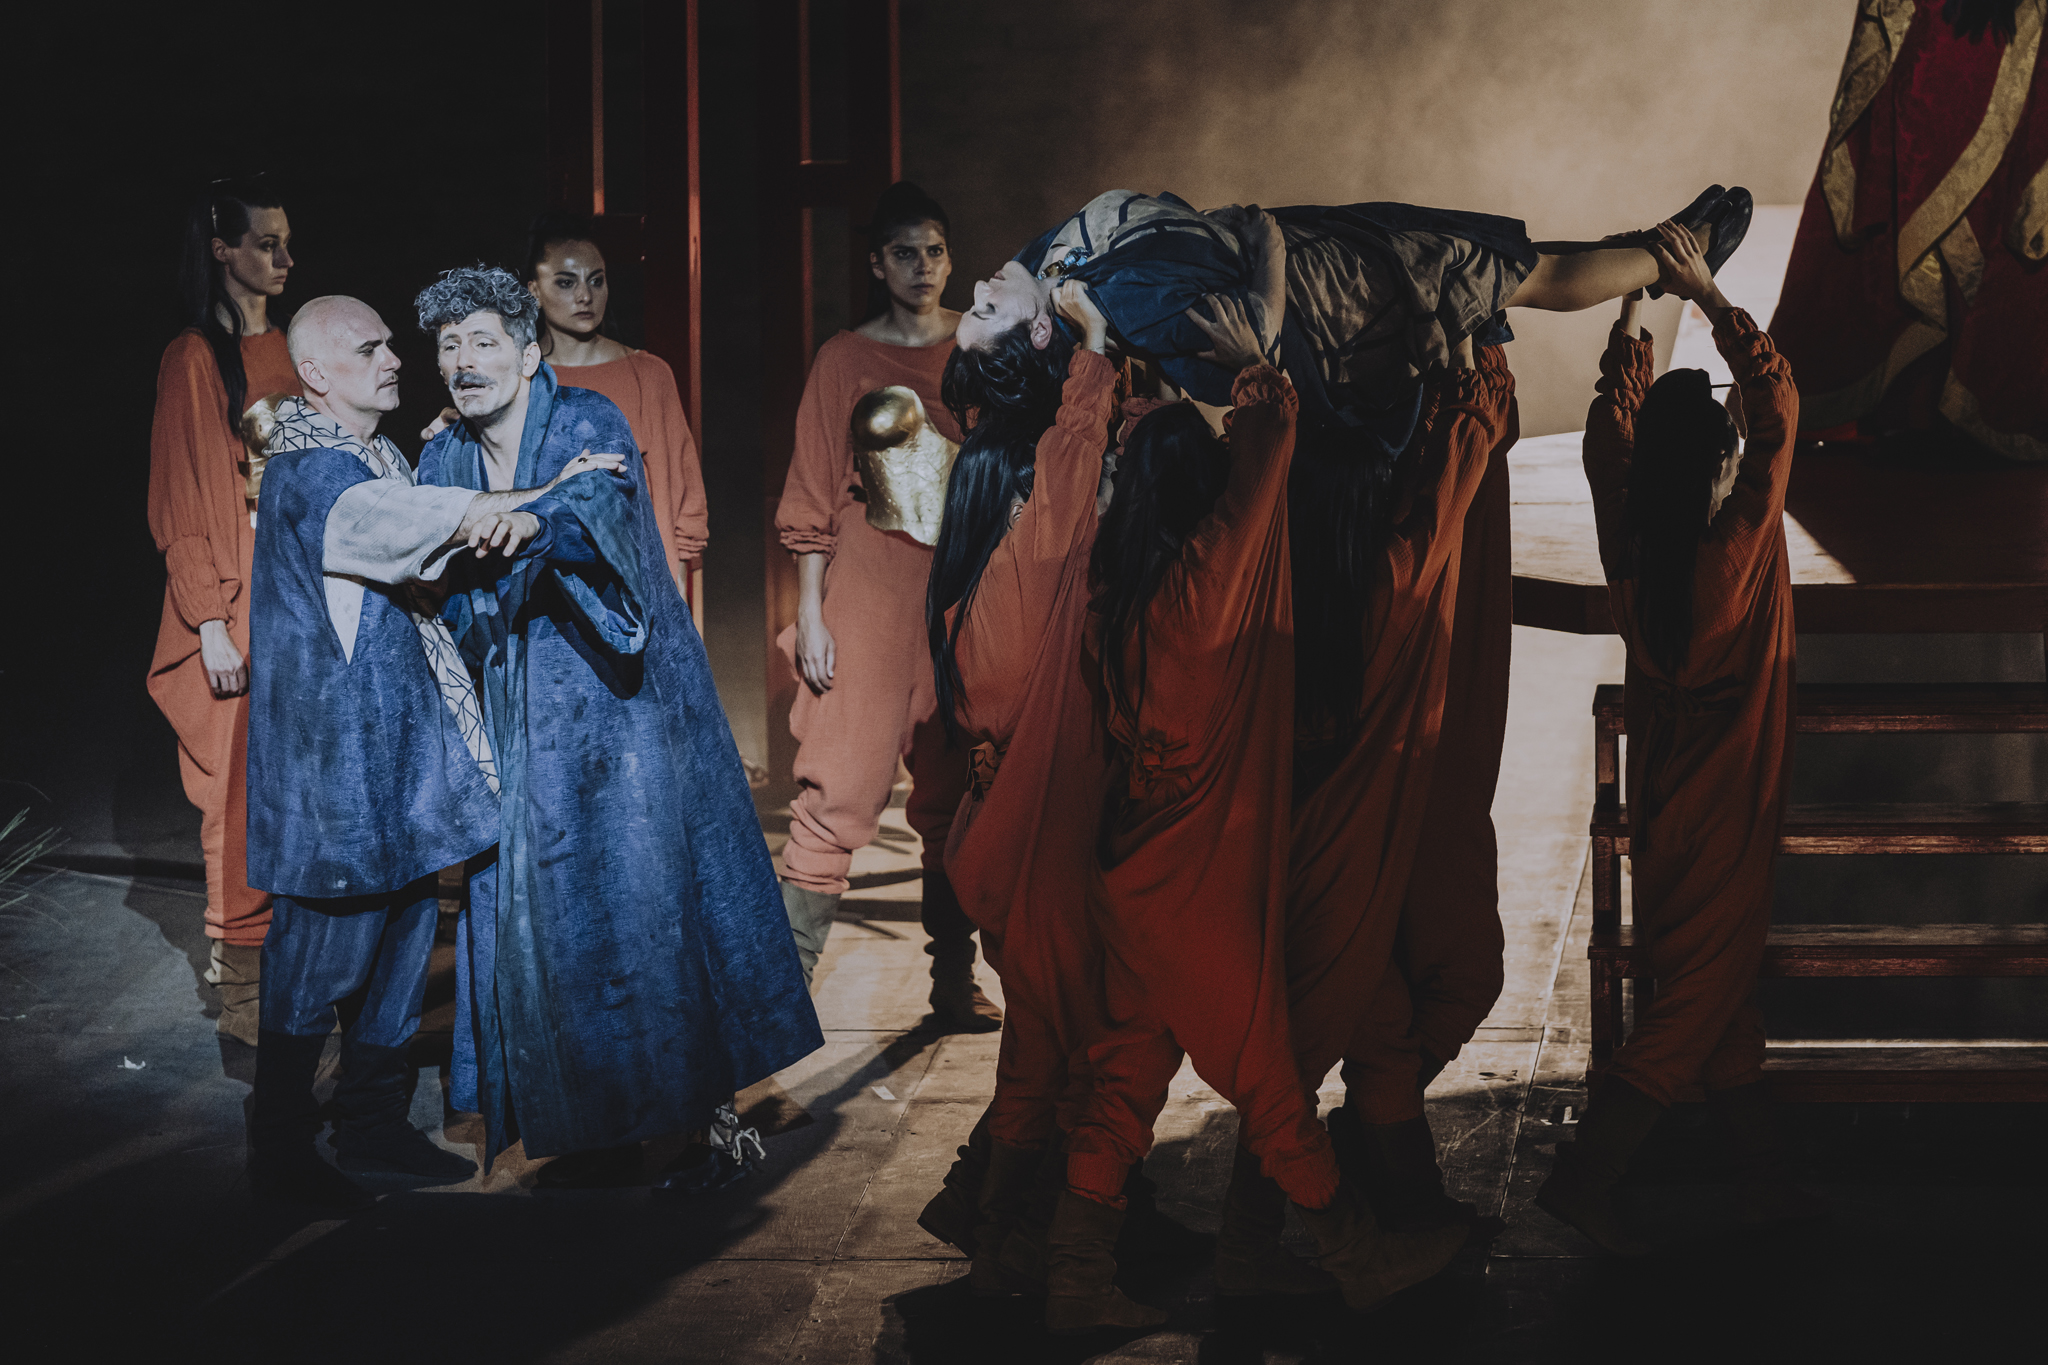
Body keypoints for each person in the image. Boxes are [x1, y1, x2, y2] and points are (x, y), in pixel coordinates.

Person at [1048, 275, 1465, 1331]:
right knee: (1274, 1089)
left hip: (1130, 877)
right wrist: (1256, 364)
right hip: (1197, 888)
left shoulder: (1113, 598)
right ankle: (1357, 1258)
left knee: (1123, 1082)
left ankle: (1075, 1284)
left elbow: (1181, 471)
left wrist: (1115, 360)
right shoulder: (1201, 592)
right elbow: (1267, 453)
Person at [414, 266, 823, 1187]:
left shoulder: (586, 419)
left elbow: (594, 505)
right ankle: (588, 1124)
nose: (465, 361)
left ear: (529, 354)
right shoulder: (444, 456)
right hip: (518, 730)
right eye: (449, 346)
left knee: (647, 910)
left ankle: (696, 1119)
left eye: (483, 342)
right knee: (547, 926)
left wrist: (531, 521)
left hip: (620, 713)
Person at [245, 295, 607, 1209]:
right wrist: (549, 495)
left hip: (393, 767)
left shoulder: (368, 455)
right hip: (334, 779)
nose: (395, 359)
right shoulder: (314, 474)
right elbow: (418, 523)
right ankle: (280, 1151)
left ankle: (371, 1126)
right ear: (316, 375)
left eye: (390, 344)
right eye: (369, 349)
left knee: (401, 950)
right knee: (319, 963)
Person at [1537, 224, 1823, 1254]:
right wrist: (1704, 296)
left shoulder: (1634, 544)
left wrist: (1635, 305)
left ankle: (1762, 1182)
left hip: (1665, 813)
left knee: (1711, 1000)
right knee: (1689, 1012)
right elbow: (1778, 410)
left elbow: (1608, 435)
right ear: (1717, 464)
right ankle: (1585, 1179)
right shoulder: (1733, 554)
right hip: (1726, 815)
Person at [1280, 336, 1517, 1252]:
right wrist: (1475, 345)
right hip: (1366, 833)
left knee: (1381, 1026)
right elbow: (1468, 453)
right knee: (1424, 1003)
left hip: (1312, 843)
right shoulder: (1394, 576)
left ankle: (1373, 1170)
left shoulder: (1275, 584)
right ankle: (1391, 1199)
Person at [948, 185, 1752, 452]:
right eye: (985, 309)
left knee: (1492, 256)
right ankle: (1675, 262)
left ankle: (1651, 247)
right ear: (1040, 333)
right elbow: (1254, 343)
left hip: (1320, 254)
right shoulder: (1117, 303)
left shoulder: (1044, 270)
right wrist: (1260, 241)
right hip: (1334, 292)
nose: (981, 284)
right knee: (1507, 275)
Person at [919, 281, 1119, 1293]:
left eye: (990, 292)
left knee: (1042, 1039)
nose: (980, 284)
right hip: (1035, 819)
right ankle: (1040, 1245)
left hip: (1009, 813)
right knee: (1080, 1038)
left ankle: (999, 1225)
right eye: (988, 297)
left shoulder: (993, 468)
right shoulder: (1028, 496)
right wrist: (1096, 344)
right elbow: (1073, 463)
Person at [774, 182, 995, 1031]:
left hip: (961, 584)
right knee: (841, 783)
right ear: (876, 263)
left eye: (934, 250)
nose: (923, 266)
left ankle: (953, 983)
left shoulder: (979, 347)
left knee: (957, 784)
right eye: (905, 252)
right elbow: (813, 490)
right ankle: (779, 1004)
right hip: (869, 585)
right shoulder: (844, 358)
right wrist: (813, 611)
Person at [146, 175, 301, 1045]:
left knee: (294, 786)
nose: (284, 258)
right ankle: (246, 1000)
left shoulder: (294, 345)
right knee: (237, 793)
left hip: (300, 592)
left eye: (286, 242)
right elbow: (181, 496)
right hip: (236, 600)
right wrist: (209, 620)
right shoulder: (195, 356)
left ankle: (303, 984)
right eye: (266, 243)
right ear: (222, 251)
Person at [1772, 0, 2043, 459]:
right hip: (1945, 36)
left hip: (1992, 35)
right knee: (1932, 201)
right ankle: (1918, 404)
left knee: (1968, 207)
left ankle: (1930, 406)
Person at [523, 211, 712, 611]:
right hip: (543, 590)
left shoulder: (648, 374)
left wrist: (673, 593)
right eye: (566, 282)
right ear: (534, 290)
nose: (585, 296)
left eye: (596, 280)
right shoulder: (521, 380)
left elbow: (683, 498)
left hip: (638, 588)